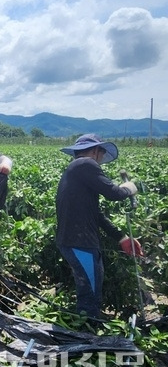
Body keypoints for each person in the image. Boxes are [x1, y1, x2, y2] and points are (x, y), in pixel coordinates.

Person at [55, 134, 142, 319]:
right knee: (89, 297)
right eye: (101, 154)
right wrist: (129, 188)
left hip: (75, 241)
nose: (101, 160)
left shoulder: (76, 170)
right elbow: (114, 193)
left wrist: (121, 238)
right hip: (80, 243)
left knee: (89, 290)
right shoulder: (85, 164)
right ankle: (86, 338)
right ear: (95, 151)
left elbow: (96, 214)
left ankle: (87, 327)